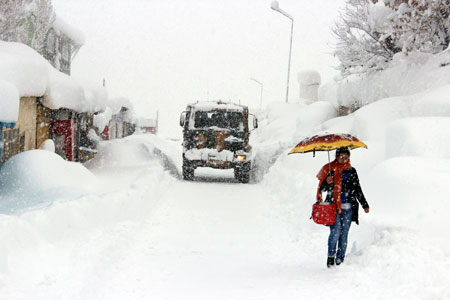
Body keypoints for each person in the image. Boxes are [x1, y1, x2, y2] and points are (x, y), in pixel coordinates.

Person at [316, 147, 370, 268]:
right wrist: (327, 182)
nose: (344, 159)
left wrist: (364, 204)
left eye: (346, 157)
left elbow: (357, 189)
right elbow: (322, 189)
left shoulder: (352, 171)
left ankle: (340, 259)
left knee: (344, 234)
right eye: (341, 157)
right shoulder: (329, 169)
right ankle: (330, 257)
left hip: (349, 209)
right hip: (333, 208)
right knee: (335, 233)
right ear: (336, 157)